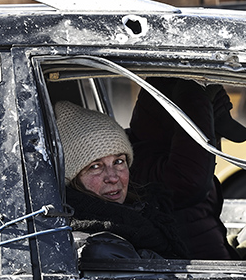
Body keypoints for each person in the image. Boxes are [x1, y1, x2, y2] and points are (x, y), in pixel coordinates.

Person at [128, 78, 246, 259]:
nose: (216, 146)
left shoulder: (176, 164)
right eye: (211, 135)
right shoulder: (143, 165)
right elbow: (189, 182)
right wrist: (194, 101)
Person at [54, 100, 187, 259]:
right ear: (73, 178)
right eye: (95, 166)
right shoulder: (96, 244)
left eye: (118, 162)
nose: (112, 177)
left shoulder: (149, 211)